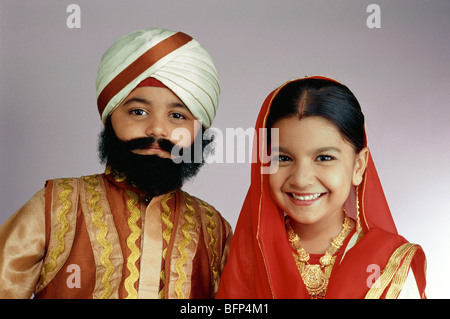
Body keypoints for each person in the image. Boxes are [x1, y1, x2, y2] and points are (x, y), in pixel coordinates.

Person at [0, 28, 232, 299]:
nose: (157, 129)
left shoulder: (214, 229)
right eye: (138, 112)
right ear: (110, 117)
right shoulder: (55, 207)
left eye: (177, 115)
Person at [217, 76, 426, 299]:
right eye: (283, 158)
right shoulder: (245, 257)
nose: (301, 179)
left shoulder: (389, 263)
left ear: (358, 166)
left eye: (324, 157)